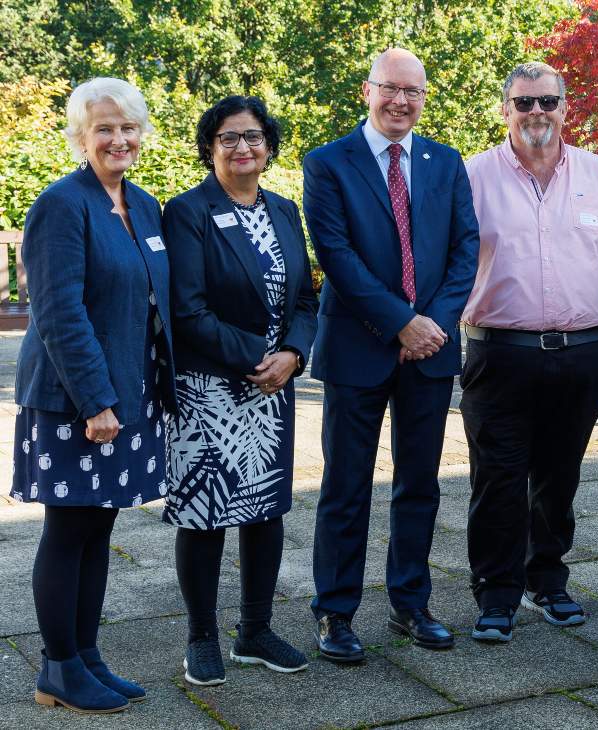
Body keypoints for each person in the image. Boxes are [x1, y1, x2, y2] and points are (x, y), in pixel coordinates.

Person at [302, 48, 479, 660]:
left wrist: (433, 325)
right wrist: (401, 323)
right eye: (390, 89)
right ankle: (336, 612)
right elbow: (337, 256)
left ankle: (411, 602)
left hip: (430, 350)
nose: (401, 102)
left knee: (419, 484)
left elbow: (466, 248)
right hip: (359, 347)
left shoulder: (445, 161)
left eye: (413, 92)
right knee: (346, 485)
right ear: (366, 91)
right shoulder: (327, 163)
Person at [460, 62, 598, 642]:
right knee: (499, 476)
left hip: (585, 352)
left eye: (547, 101)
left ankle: (548, 578)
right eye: (523, 102)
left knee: (559, 475)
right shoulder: (472, 177)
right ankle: (496, 590)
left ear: (566, 107)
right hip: (500, 352)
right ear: (504, 109)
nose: (536, 112)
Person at [11, 77, 174, 713]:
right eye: (103, 128)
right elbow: (57, 312)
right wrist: (96, 401)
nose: (118, 138)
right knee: (70, 527)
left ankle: (86, 655)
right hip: (76, 400)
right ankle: (57, 667)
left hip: (126, 394)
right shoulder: (62, 204)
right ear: (81, 137)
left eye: (128, 126)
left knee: (99, 528)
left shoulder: (143, 205)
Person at [162, 96, 319, 685]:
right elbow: (188, 310)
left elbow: (305, 299)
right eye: (228, 138)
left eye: (252, 137)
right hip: (210, 388)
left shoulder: (284, 210)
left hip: (273, 386)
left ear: (269, 147)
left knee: (265, 510)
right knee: (204, 514)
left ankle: (255, 629)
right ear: (209, 148)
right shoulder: (188, 212)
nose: (242, 147)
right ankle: (202, 637)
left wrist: (294, 355)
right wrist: (261, 357)